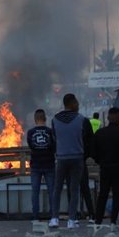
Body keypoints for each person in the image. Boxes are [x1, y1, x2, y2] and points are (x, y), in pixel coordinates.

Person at [50, 93, 93, 229]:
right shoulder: (82, 119)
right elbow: (87, 139)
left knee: (57, 189)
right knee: (74, 189)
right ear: (72, 103)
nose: (78, 105)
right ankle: (71, 220)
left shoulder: (54, 120)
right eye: (77, 102)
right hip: (77, 158)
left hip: (61, 158)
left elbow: (54, 138)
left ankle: (54, 218)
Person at [92, 107, 119, 226]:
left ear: (107, 118)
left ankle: (98, 220)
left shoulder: (100, 133)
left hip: (105, 167)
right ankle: (113, 221)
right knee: (117, 194)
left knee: (103, 194)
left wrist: (100, 161)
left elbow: (93, 151)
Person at [26, 109, 56, 221]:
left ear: (35, 119)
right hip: (49, 164)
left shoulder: (30, 132)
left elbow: (31, 146)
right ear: (45, 118)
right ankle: (53, 216)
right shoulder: (50, 131)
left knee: (35, 192)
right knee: (51, 191)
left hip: (36, 165)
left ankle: (35, 216)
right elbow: (54, 147)